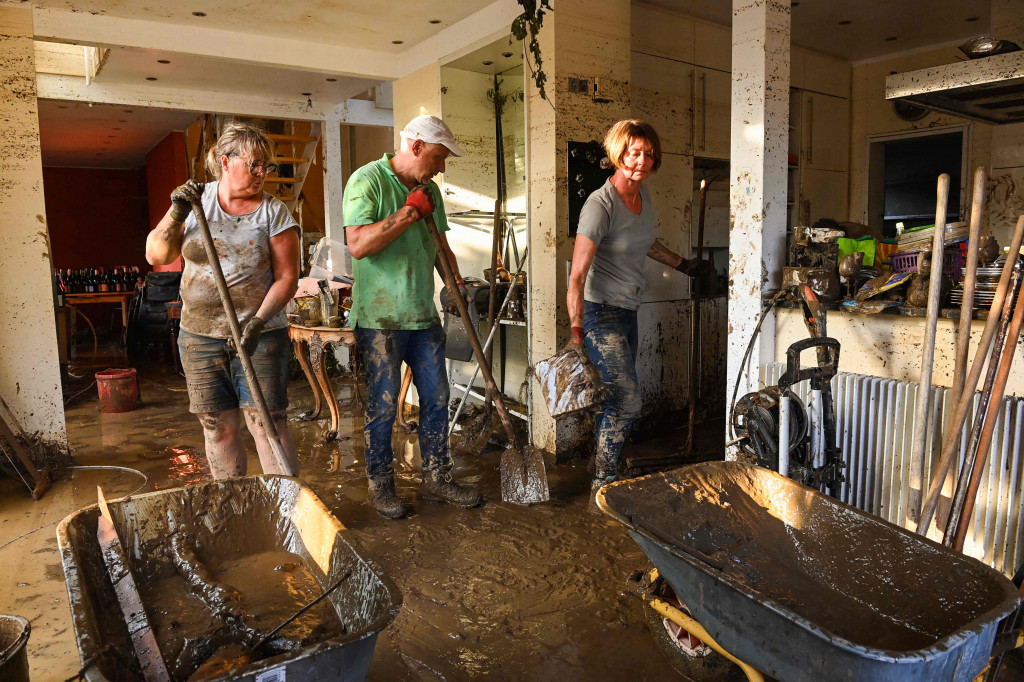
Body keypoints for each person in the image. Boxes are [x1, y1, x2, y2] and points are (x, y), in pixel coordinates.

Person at [344, 114, 484, 519]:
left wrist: (456, 286)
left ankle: (437, 477)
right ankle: (381, 484)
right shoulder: (366, 181)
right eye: (438, 157)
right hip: (381, 320)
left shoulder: (429, 192)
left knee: (438, 399)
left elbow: (440, 245)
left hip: (424, 317)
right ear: (417, 146)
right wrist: (408, 212)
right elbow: (358, 245)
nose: (441, 168)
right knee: (385, 406)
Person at [567, 119, 718, 494]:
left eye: (649, 153)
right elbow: (577, 275)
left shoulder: (643, 197)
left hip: (628, 310)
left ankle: (600, 461)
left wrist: (682, 264)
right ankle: (604, 482)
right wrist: (576, 328)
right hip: (600, 313)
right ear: (619, 154)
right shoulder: (599, 205)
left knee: (615, 398)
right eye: (635, 152)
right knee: (628, 399)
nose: (642, 160)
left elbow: (644, 242)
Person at [145, 121, 300, 479]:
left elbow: (288, 277)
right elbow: (156, 255)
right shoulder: (195, 203)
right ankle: (233, 505)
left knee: (267, 422)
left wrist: (258, 322)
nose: (262, 173)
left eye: (267, 166)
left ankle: (289, 510)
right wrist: (176, 213)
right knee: (217, 426)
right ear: (226, 162)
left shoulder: (273, 213)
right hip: (200, 336)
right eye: (255, 164)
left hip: (261, 334)